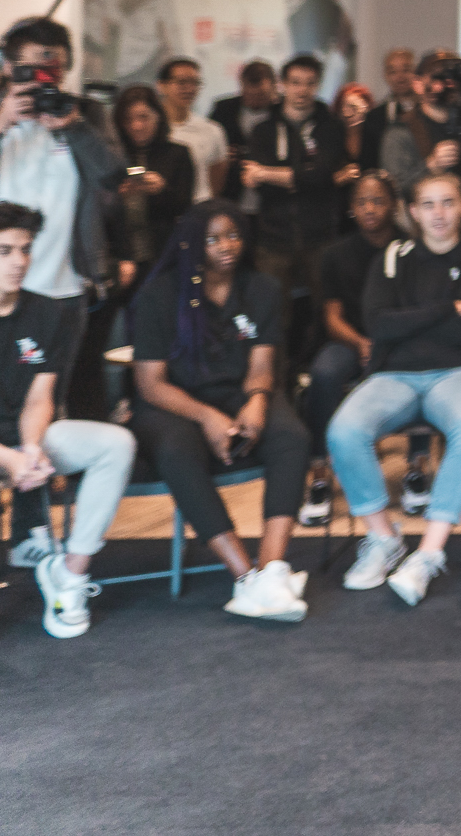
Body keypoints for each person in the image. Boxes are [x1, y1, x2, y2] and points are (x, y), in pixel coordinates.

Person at [128, 201, 313, 622]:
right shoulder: (161, 294)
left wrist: (258, 400)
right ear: (192, 243)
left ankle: (272, 569)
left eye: (233, 235)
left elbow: (262, 363)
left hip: (238, 392)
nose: (226, 246)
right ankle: (244, 577)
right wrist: (207, 417)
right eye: (212, 239)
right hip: (173, 402)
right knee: (177, 451)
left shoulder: (262, 288)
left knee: (292, 437)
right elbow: (150, 384)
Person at [329, 170, 461, 606]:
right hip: (394, 374)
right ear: (412, 212)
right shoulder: (393, 256)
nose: (438, 213)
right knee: (343, 430)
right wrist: (446, 309)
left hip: (458, 371)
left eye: (448, 202)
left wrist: (409, 322)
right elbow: (378, 323)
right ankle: (383, 538)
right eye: (428, 204)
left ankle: (428, 554)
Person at [0, 202, 135, 638]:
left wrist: (31, 449)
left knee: (116, 443)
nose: (19, 261)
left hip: (23, 437)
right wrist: (9, 461)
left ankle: (68, 576)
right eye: (4, 251)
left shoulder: (47, 313)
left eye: (25, 249)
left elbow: (40, 397)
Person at [0, 17, 125, 440]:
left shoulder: (84, 114)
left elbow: (113, 175)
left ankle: (46, 468)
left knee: (57, 395)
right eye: (34, 69)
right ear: (7, 66)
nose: (46, 79)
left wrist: (74, 128)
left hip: (64, 285)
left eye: (55, 70)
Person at [295, 172, 406, 527]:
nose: (369, 208)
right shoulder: (336, 254)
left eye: (378, 200)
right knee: (324, 372)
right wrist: (359, 343)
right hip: (349, 340)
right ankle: (320, 473)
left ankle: (417, 468)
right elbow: (332, 317)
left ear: (395, 206)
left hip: (399, 341)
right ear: (351, 208)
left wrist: (387, 342)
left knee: (425, 366)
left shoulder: (411, 249)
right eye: (361, 201)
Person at [239, 53, 344, 355]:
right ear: (282, 84)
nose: (302, 90)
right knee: (271, 316)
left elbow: (322, 176)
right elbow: (254, 180)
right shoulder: (263, 130)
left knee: (325, 312)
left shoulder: (330, 127)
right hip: (273, 236)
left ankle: (318, 372)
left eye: (310, 83)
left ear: (318, 85)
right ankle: (274, 377)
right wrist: (298, 177)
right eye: (295, 82)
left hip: (321, 236)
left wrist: (268, 173)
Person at [379, 51, 461, 224]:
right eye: (439, 77)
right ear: (418, 84)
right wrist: (431, 166)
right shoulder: (401, 130)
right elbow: (393, 188)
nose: (449, 84)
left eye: (454, 77)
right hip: (429, 230)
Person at [108, 82, 195, 290]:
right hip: (120, 252)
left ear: (158, 116)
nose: (136, 126)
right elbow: (99, 210)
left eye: (144, 117)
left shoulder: (177, 154)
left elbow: (185, 206)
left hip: (162, 249)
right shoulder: (111, 156)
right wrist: (117, 195)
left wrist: (161, 190)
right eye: (128, 119)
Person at [157, 56, 232, 198]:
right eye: (181, 82)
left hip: (200, 206)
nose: (189, 89)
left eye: (195, 83)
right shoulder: (150, 129)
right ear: (161, 86)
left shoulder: (212, 130)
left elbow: (217, 179)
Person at [358, 46, 419, 174]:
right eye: (393, 72)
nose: (400, 77)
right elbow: (368, 163)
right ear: (385, 75)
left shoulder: (429, 111)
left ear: (417, 73)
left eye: (406, 70)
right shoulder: (375, 117)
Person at [210, 58, 279, 155]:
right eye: (250, 95)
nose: (255, 100)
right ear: (241, 87)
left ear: (274, 88)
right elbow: (209, 140)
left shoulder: (284, 110)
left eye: (261, 95)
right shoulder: (224, 109)